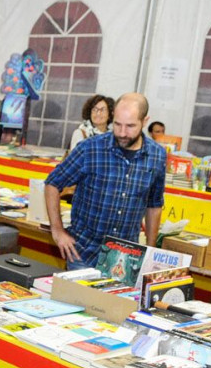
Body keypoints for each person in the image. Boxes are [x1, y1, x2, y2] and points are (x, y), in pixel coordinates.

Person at [45, 93, 166, 269]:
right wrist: (57, 231)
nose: (122, 133)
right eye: (117, 124)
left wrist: (151, 247)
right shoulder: (90, 148)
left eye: (130, 126)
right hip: (83, 252)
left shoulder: (157, 155)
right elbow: (53, 183)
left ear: (145, 121)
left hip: (124, 259)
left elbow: (154, 204)